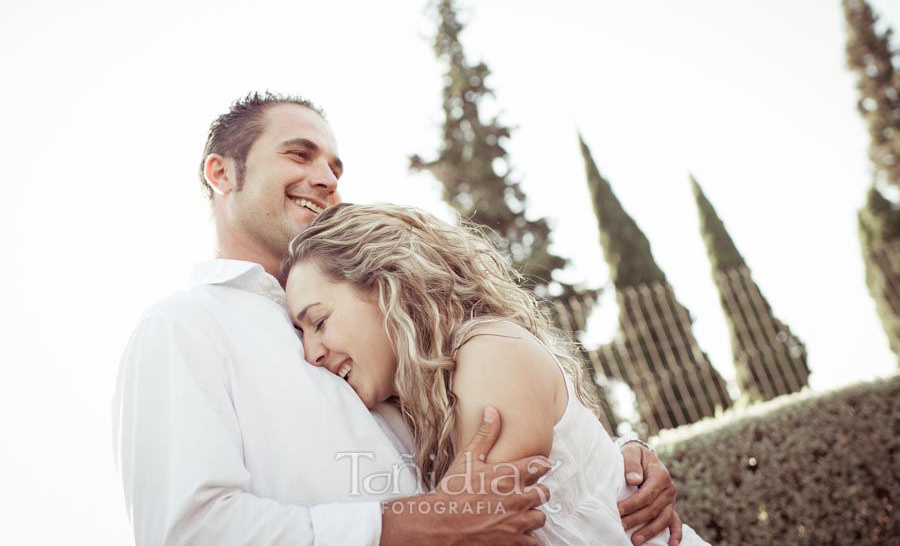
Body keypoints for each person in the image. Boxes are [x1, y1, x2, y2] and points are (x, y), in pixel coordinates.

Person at [113, 92, 683, 545]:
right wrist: (415, 527)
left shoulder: (371, 323)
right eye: (299, 153)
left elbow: (504, 436)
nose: (327, 176)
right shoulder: (183, 327)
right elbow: (185, 533)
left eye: (335, 165)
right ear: (220, 174)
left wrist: (612, 465)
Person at [282, 203, 710, 546]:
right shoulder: (431, 393)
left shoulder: (489, 351)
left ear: (385, 286)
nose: (310, 352)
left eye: (318, 322)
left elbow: (479, 535)